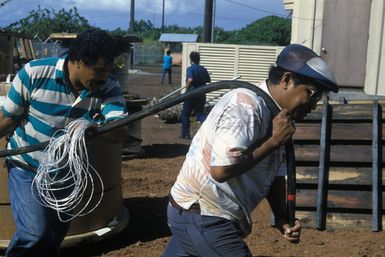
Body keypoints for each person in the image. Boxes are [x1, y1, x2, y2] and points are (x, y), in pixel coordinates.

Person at [163, 44, 338, 257]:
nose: (313, 105)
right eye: (311, 94)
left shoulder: (278, 118)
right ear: (287, 80)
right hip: (201, 214)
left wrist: (282, 216)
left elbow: (274, 174)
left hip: (206, 215)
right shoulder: (245, 105)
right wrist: (273, 141)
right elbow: (221, 170)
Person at [0, 28, 128, 257]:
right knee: (34, 234)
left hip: (67, 171)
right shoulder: (35, 73)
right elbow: (8, 119)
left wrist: (94, 127)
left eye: (107, 71)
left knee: (54, 234)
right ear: (77, 61)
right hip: (27, 167)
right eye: (98, 70)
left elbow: (118, 131)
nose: (103, 77)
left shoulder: (108, 87)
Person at [180, 51, 211, 139]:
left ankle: (185, 134)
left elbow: (190, 79)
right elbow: (209, 80)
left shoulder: (190, 69)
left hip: (191, 94)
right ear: (199, 59)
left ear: (191, 59)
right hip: (201, 94)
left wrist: (186, 91)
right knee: (200, 113)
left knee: (185, 114)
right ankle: (208, 131)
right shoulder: (203, 69)